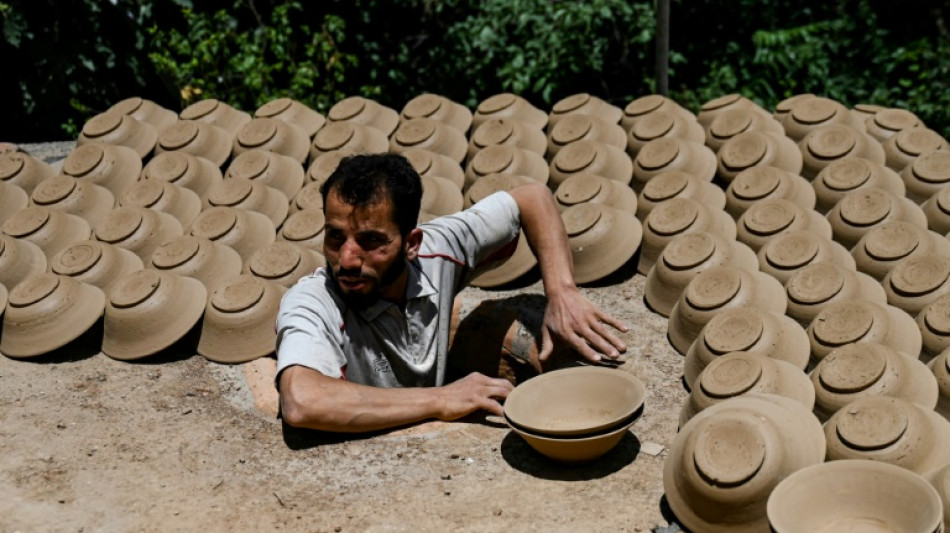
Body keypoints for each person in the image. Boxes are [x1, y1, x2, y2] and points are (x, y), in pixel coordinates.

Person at [276, 153, 628, 433]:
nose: (348, 259)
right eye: (335, 237)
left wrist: (562, 292)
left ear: (412, 244)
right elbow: (303, 401)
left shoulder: (439, 250)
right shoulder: (313, 301)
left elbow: (532, 197)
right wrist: (441, 398)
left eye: (370, 241)